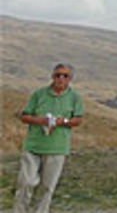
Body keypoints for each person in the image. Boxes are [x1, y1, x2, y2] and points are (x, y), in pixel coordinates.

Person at [14, 63, 84, 213]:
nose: (60, 78)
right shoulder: (39, 94)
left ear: (70, 79)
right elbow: (24, 116)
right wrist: (39, 120)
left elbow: (78, 119)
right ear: (52, 76)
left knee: (47, 187)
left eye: (65, 75)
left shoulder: (74, 98)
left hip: (57, 148)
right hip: (33, 146)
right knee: (26, 182)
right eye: (57, 75)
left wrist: (63, 121)